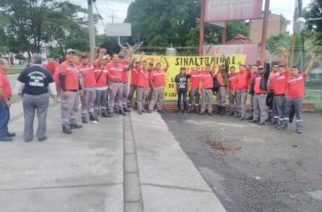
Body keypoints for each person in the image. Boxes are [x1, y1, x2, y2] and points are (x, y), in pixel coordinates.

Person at [16, 55, 57, 142]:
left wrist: (19, 92)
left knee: (28, 116)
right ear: (41, 61)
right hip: (42, 96)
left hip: (28, 96)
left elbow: (19, 84)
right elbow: (52, 85)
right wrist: (54, 95)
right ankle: (41, 135)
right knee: (42, 116)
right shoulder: (46, 71)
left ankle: (27, 136)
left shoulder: (25, 70)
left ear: (33, 61)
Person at [283, 53, 315, 134]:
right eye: (292, 70)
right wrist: (286, 56)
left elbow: (309, 67)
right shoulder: (288, 77)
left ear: (298, 71)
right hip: (289, 98)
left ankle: (299, 127)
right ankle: (285, 125)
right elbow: (286, 65)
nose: (293, 71)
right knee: (286, 112)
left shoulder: (302, 76)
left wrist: (312, 59)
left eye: (294, 70)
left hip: (298, 98)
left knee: (298, 113)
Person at [58, 49, 84, 134]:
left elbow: (77, 79)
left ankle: (72, 122)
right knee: (66, 108)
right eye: (69, 54)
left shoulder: (74, 66)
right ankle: (65, 125)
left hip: (75, 91)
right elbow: (61, 79)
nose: (71, 56)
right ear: (66, 55)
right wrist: (64, 90)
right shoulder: (63, 65)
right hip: (68, 91)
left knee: (74, 108)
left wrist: (80, 89)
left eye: (72, 54)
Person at [78, 53, 97, 124]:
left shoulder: (91, 65)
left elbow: (97, 60)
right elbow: (79, 80)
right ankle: (84, 116)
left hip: (93, 87)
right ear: (81, 60)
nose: (85, 59)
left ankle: (91, 115)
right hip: (85, 88)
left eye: (86, 58)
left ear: (88, 59)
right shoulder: (79, 68)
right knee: (84, 103)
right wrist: (81, 89)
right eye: (83, 58)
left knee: (91, 102)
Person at [251, 61, 270, 126]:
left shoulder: (265, 76)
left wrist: (267, 64)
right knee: (255, 108)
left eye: (262, 69)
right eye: (259, 69)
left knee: (262, 108)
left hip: (262, 95)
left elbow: (267, 71)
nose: (260, 70)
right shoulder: (256, 76)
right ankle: (255, 119)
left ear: (263, 70)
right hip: (256, 94)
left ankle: (262, 121)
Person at [0, 58, 14, 142]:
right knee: (3, 117)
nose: (9, 65)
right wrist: (6, 100)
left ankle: (5, 132)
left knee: (6, 116)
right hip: (2, 100)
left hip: (4, 99)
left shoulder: (3, 74)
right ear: (1, 65)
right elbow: (0, 89)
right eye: (7, 64)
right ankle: (1, 134)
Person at [94, 52, 109, 118]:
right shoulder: (94, 67)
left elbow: (108, 77)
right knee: (97, 101)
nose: (102, 61)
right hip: (97, 88)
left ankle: (103, 112)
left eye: (103, 60)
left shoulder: (106, 68)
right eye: (101, 60)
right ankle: (96, 112)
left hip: (105, 88)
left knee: (104, 101)